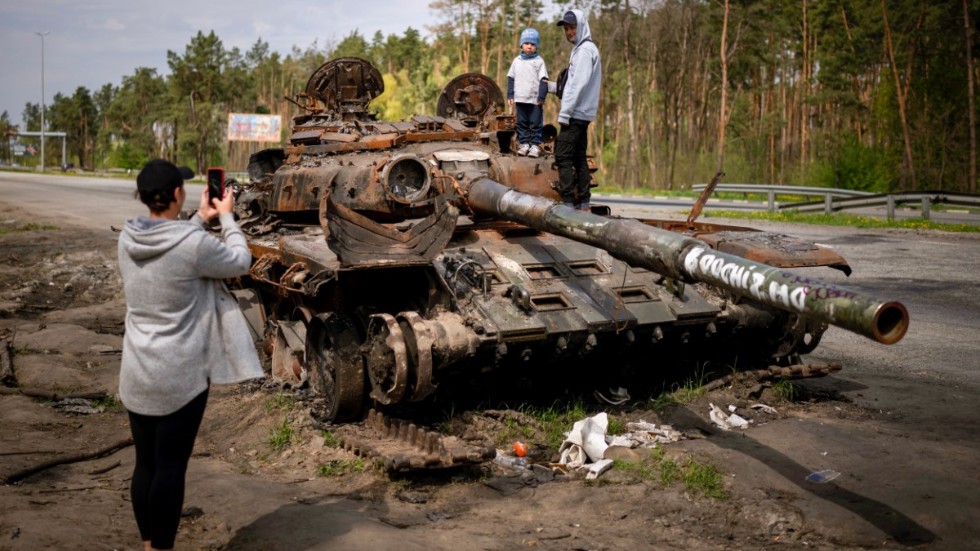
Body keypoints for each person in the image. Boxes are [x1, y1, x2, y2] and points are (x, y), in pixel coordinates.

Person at [117, 159, 263, 551]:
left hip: (136, 372)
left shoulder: (128, 238)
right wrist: (228, 219)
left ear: (144, 197)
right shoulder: (193, 245)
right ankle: (161, 548)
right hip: (179, 378)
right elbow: (239, 261)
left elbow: (175, 249)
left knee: (145, 463)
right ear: (178, 193)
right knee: (170, 467)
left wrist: (199, 218)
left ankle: (149, 543)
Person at [555, 8, 602, 211]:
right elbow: (571, 83)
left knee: (562, 155)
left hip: (575, 114)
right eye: (566, 28)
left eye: (572, 27)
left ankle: (567, 203)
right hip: (582, 114)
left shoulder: (584, 51)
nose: (569, 32)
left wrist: (565, 113)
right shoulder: (585, 49)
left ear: (581, 26)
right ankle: (583, 202)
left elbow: (578, 84)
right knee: (578, 157)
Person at [507, 27, 549, 158]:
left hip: (535, 100)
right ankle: (524, 144)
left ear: (536, 46)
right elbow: (511, 77)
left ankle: (535, 146)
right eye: (526, 44)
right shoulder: (516, 61)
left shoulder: (539, 61)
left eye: (532, 44)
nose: (529, 47)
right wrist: (510, 95)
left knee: (535, 123)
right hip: (520, 98)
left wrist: (541, 97)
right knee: (521, 123)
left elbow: (544, 80)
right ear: (521, 45)